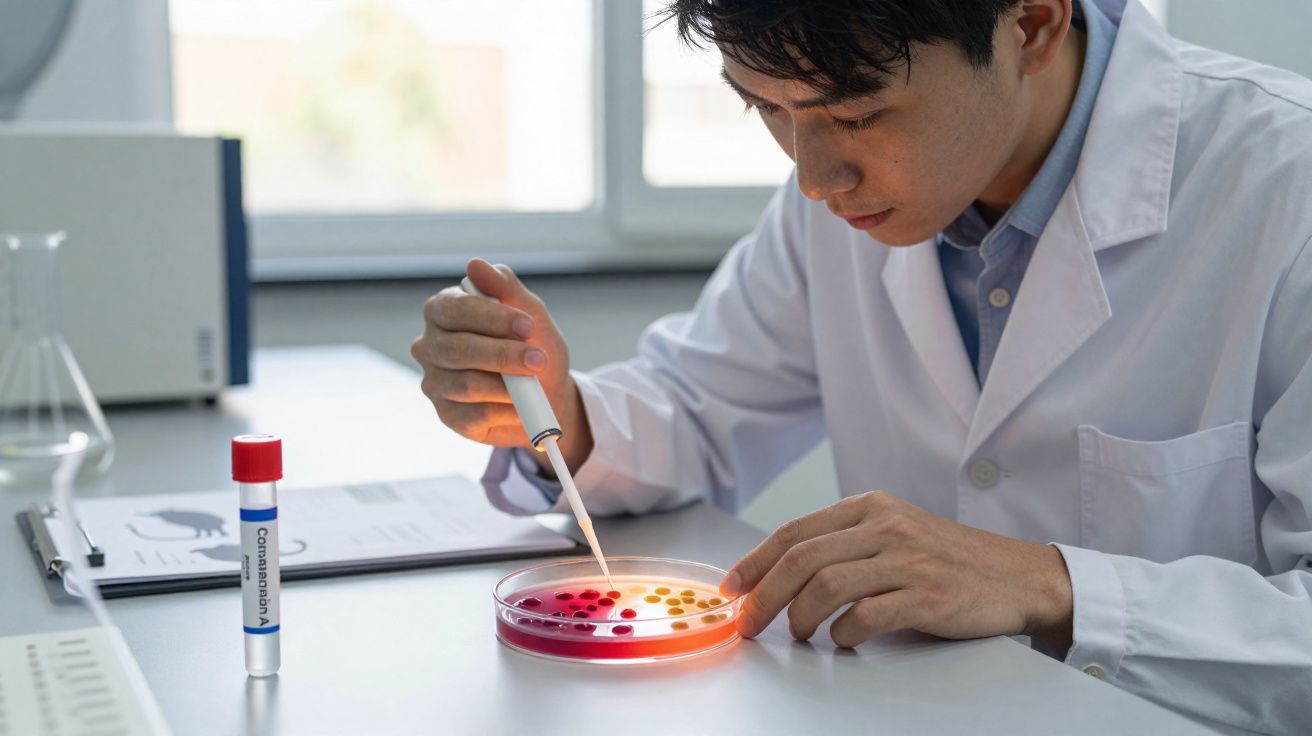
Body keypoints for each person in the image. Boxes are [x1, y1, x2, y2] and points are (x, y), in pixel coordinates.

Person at [410, 0, 1312, 729]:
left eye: (858, 113)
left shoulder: (1283, 184)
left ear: (1030, 24)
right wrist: (558, 410)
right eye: (765, 107)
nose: (813, 175)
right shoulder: (850, 192)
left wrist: (1052, 585)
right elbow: (702, 404)